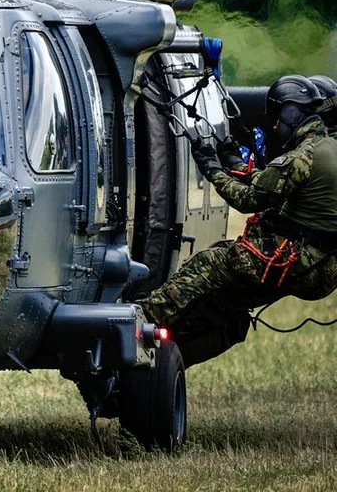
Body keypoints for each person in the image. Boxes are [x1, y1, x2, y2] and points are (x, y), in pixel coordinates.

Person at [139, 74, 337, 367]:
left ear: (292, 114)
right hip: (324, 268)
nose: (275, 126)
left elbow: (248, 200)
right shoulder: (325, 149)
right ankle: (164, 363)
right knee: (226, 306)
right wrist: (234, 163)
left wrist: (212, 168)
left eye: (279, 117)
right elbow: (272, 186)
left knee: (212, 262)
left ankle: (141, 318)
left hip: (302, 262)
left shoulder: (302, 156)